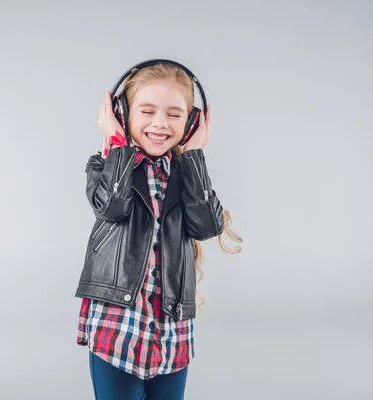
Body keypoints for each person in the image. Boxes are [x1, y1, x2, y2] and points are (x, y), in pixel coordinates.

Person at [75, 60, 243, 400]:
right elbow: (111, 206)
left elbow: (207, 226)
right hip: (116, 324)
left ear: (193, 121)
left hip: (172, 329)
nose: (160, 123)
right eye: (147, 111)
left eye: (174, 114)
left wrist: (194, 155)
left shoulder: (187, 172)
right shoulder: (105, 165)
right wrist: (117, 144)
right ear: (122, 114)